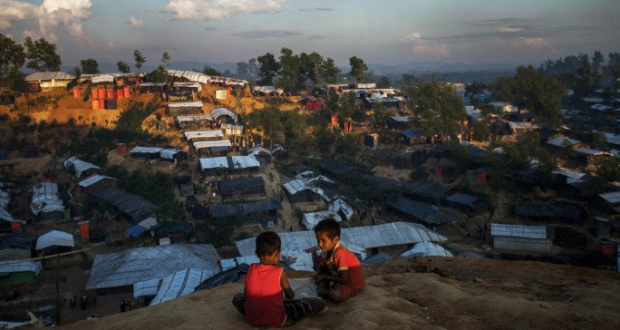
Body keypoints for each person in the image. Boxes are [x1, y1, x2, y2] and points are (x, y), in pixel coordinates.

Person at [232, 231, 326, 327]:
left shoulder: (251, 269)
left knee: (237, 298)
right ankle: (286, 319)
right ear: (278, 253)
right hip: (276, 320)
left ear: (256, 254)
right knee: (318, 303)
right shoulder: (280, 272)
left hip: (252, 319)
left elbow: (247, 296)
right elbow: (290, 296)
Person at [313, 219, 365, 302]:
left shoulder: (340, 254)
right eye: (318, 240)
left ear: (335, 239)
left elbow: (344, 279)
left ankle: (329, 291)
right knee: (326, 266)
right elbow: (322, 267)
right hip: (340, 280)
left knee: (335, 295)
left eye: (323, 241)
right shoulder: (327, 251)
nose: (320, 244)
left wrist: (322, 277)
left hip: (351, 283)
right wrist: (317, 275)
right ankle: (326, 289)